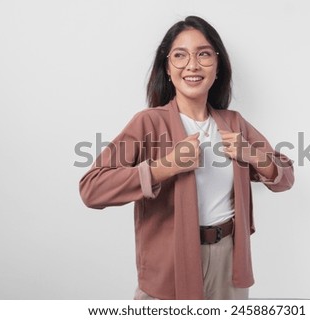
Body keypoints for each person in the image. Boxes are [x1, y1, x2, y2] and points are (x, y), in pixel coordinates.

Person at [79, 15, 294, 300]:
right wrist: (163, 167)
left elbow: (285, 177)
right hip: (170, 265)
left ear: (218, 67)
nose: (192, 65)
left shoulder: (234, 123)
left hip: (229, 263)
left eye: (203, 54)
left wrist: (251, 154)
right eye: (180, 56)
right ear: (167, 68)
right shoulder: (148, 124)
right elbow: (92, 189)